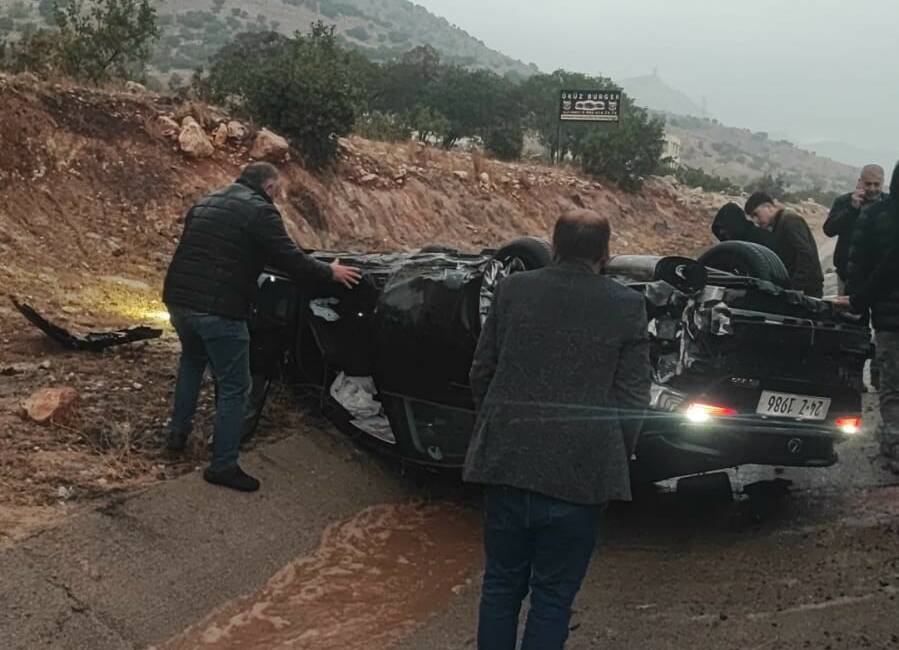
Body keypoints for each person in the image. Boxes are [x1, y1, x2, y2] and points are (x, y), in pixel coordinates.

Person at [464, 209, 651, 650]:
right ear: (606, 253)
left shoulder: (513, 290)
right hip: (581, 476)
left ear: (553, 245)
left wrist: (497, 429)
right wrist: (614, 458)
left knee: (500, 586)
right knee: (552, 598)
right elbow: (632, 398)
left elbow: (481, 372)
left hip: (507, 464)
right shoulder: (627, 305)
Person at [162, 163, 361, 492]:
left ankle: (176, 436)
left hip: (178, 301)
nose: (278, 197)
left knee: (192, 362)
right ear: (269, 188)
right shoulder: (260, 212)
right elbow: (291, 260)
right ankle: (223, 465)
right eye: (278, 191)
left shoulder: (206, 202)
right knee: (235, 386)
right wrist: (330, 273)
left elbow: (215, 251)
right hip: (219, 310)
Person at [837, 161, 899, 474]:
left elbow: (862, 265)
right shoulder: (859, 208)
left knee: (892, 388)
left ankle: (895, 452)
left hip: (889, 318)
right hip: (887, 314)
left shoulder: (877, 216)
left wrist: (858, 299)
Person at [744, 192, 824, 297]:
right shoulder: (777, 225)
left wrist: (797, 287)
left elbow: (805, 254)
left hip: (807, 289)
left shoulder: (789, 220)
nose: (755, 221)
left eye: (756, 214)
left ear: (768, 207)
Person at [824, 164, 885, 294]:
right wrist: (851, 209)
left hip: (878, 277)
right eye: (868, 184)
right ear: (860, 182)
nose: (872, 189)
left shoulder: (890, 205)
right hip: (847, 277)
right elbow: (829, 230)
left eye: (876, 184)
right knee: (847, 313)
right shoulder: (844, 202)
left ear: (883, 183)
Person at [712, 201, 778, 248]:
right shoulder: (731, 245)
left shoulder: (760, 239)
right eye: (720, 228)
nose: (721, 232)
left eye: (724, 228)